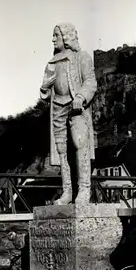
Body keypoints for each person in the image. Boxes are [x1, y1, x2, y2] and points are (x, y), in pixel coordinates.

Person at [39, 23, 97, 205]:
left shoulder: (82, 57)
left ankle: (84, 189)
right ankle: (67, 192)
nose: (53, 39)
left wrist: (81, 96)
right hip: (58, 108)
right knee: (62, 151)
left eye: (56, 35)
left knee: (80, 144)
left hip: (76, 107)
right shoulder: (52, 62)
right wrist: (44, 88)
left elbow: (90, 82)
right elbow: (46, 93)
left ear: (66, 36)